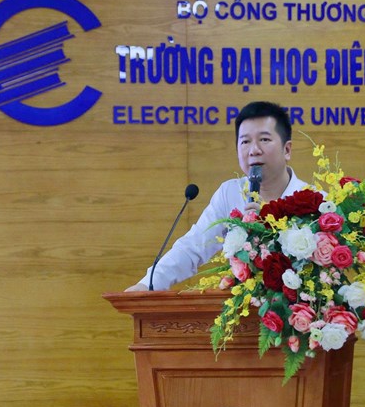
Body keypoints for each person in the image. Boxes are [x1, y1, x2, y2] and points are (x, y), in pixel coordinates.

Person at [125, 101, 309, 291]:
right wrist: (147, 285)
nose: (254, 150)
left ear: (287, 150)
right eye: (245, 142)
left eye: (264, 139)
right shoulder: (230, 192)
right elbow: (193, 246)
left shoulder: (315, 201)